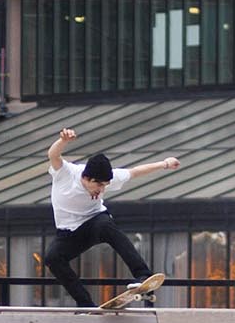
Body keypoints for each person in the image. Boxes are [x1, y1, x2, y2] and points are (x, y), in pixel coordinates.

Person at [41, 127, 181, 307]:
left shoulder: (108, 178)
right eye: (98, 185)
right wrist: (64, 141)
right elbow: (53, 155)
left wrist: (164, 164)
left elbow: (135, 172)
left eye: (105, 185)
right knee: (52, 258)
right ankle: (85, 305)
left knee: (105, 224)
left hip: (94, 222)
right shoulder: (66, 173)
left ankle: (143, 274)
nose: (101, 190)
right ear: (86, 177)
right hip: (68, 233)